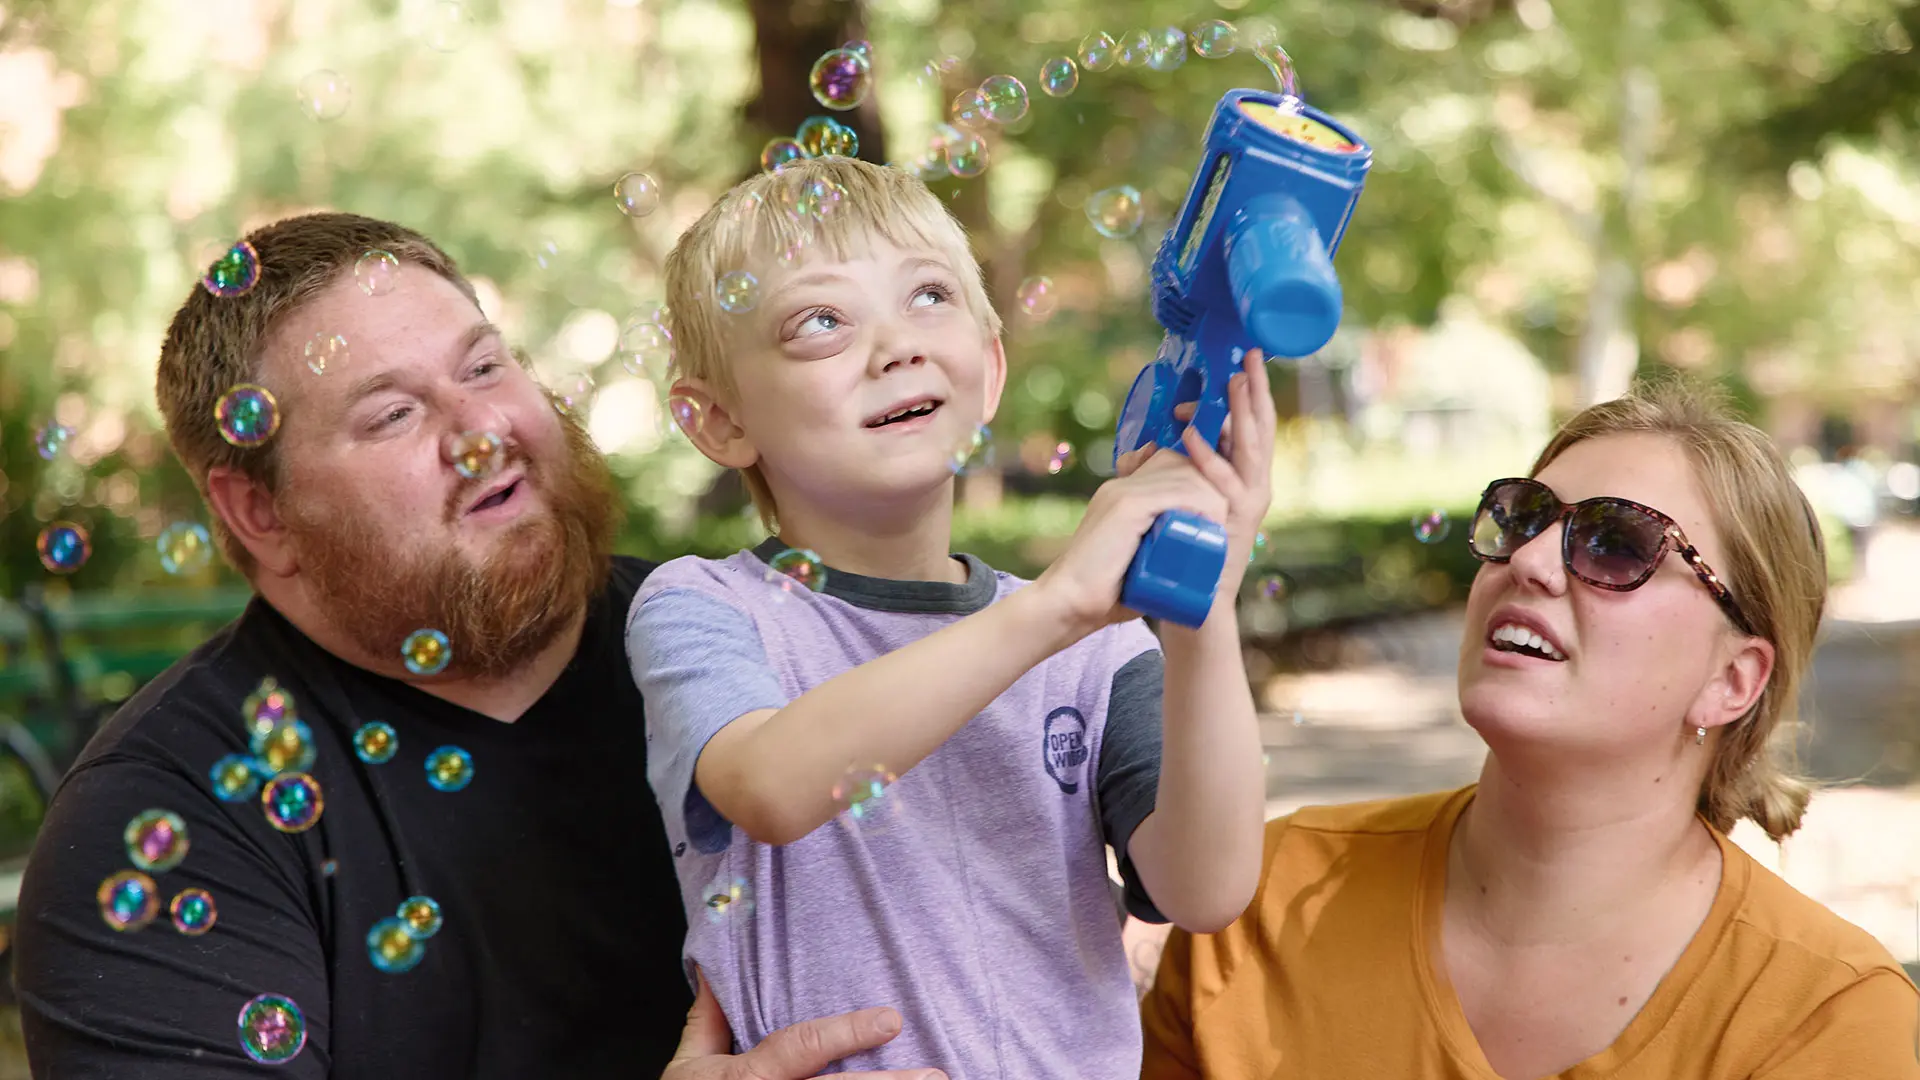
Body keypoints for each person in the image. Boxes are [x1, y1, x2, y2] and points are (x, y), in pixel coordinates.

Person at [13, 211, 945, 1080]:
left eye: (486, 367)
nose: (483, 433)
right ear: (260, 512)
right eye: (393, 414)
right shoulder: (170, 817)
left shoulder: (753, 649)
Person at [624, 156, 1274, 1077]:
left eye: (929, 296)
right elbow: (769, 786)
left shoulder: (1097, 653)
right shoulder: (705, 605)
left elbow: (1207, 887)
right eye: (821, 321)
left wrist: (1203, 598)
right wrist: (1056, 606)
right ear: (719, 421)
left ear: (992, 366)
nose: (896, 346)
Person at [1139, 377, 1920, 1079]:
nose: (1531, 562)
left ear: (1732, 681)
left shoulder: (1827, 1019)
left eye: (1617, 544)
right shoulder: (1265, 900)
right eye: (1522, 519)